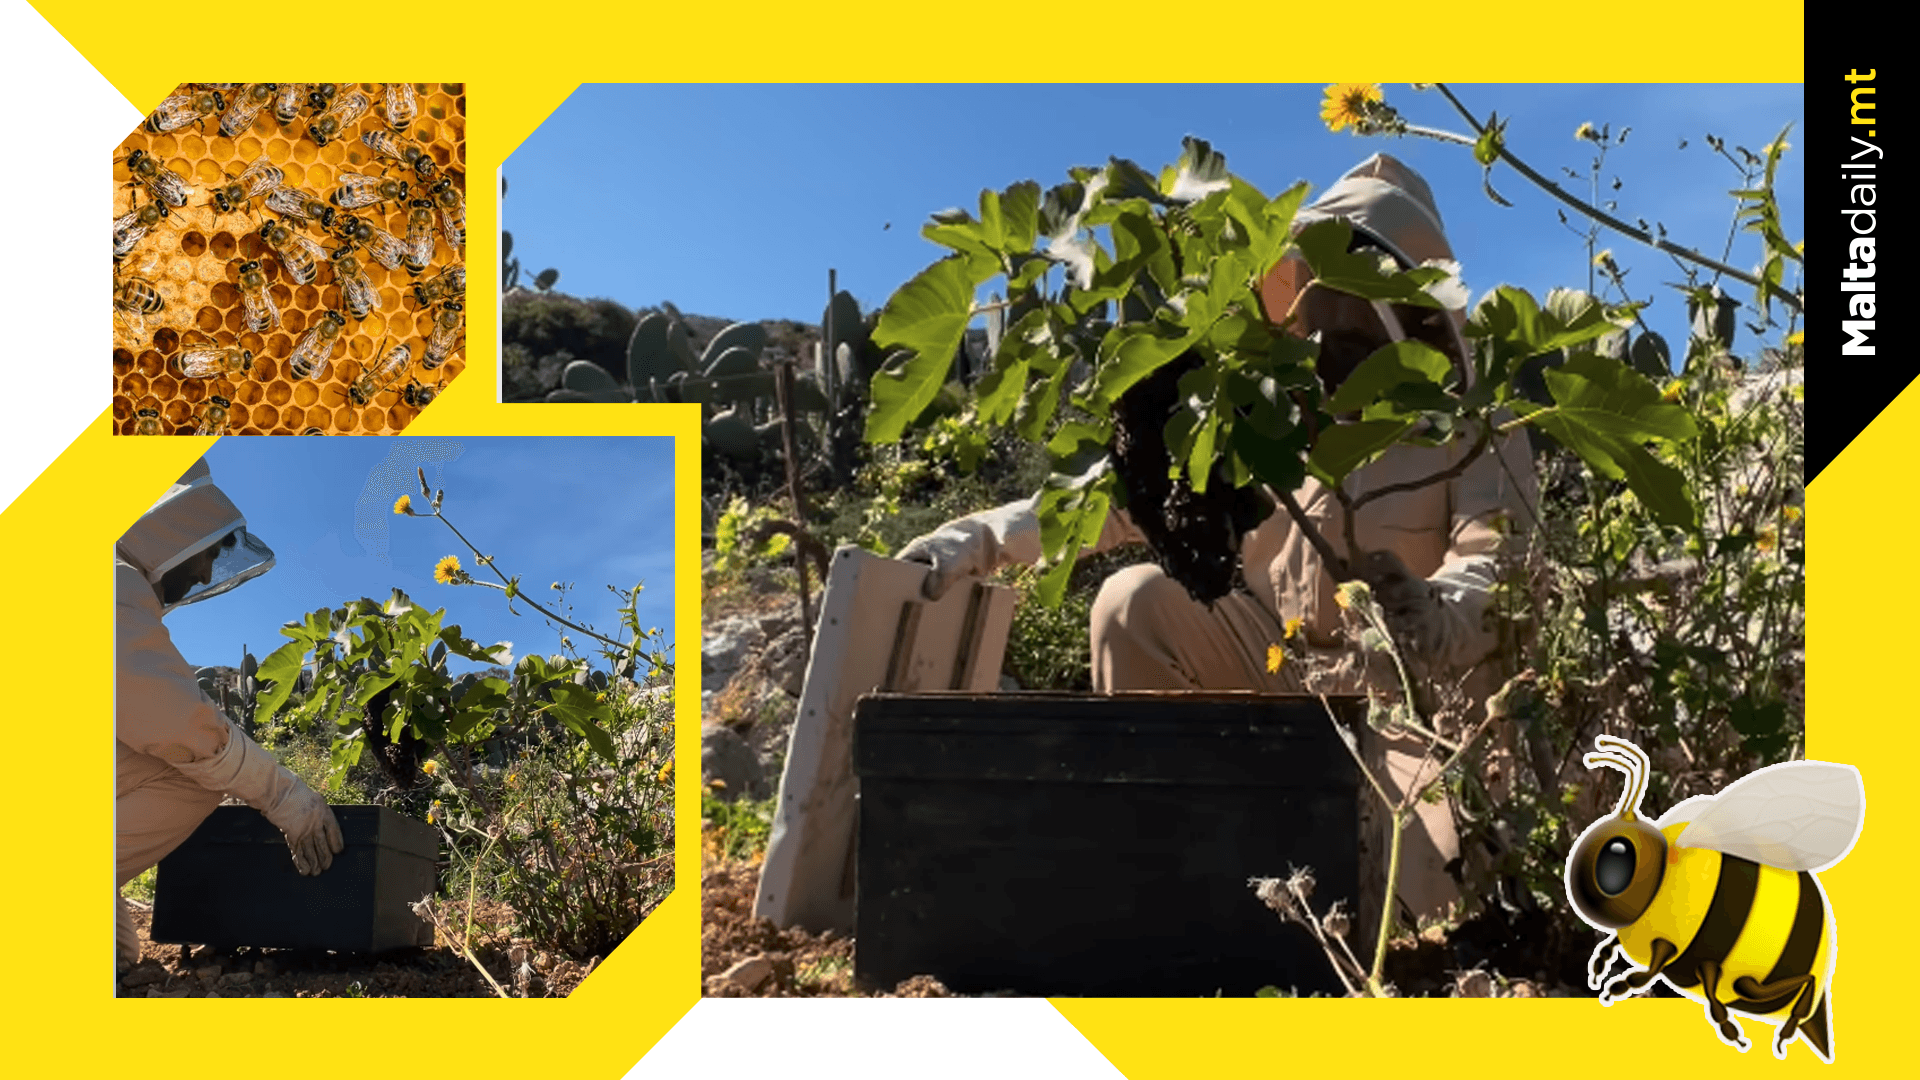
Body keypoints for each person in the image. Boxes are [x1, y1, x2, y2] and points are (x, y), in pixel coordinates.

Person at [897, 154, 1539, 921]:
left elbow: (1498, 567)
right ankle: (1166, 853)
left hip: (1414, 707)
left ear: (1402, 303)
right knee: (1132, 601)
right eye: (1320, 298)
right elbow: (1116, 504)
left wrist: (1433, 613)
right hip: (1281, 669)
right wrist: (980, 538)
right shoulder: (1268, 407)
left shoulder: (1476, 426)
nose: (1330, 322)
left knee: (1424, 908)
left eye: (1354, 303)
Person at [115, 459, 343, 972]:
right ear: (167, 528)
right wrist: (282, 793)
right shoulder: (111, 583)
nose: (202, 573)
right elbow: (175, 722)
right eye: (207, 554)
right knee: (193, 770)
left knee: (117, 954)